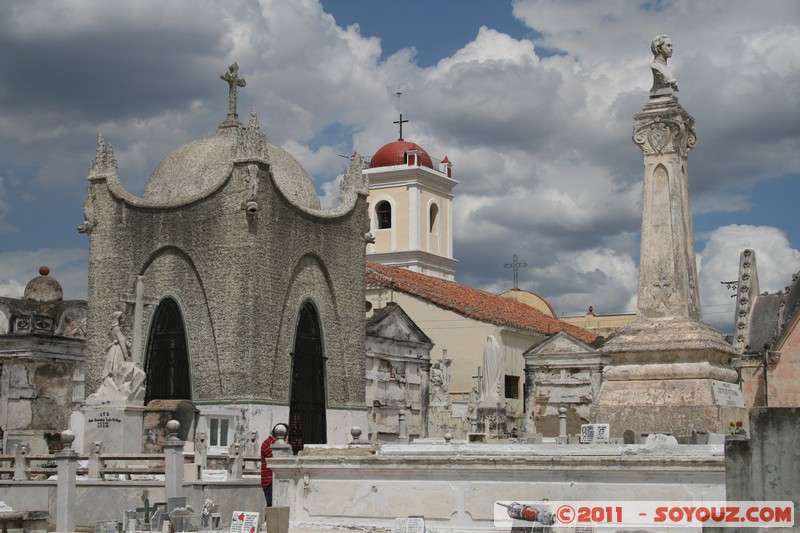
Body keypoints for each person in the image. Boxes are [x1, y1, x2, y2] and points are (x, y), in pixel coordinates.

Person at [261, 423, 288, 506]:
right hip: (269, 480)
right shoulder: (268, 443)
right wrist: (285, 444)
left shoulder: (271, 443)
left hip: (274, 479)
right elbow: (277, 458)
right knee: (271, 505)